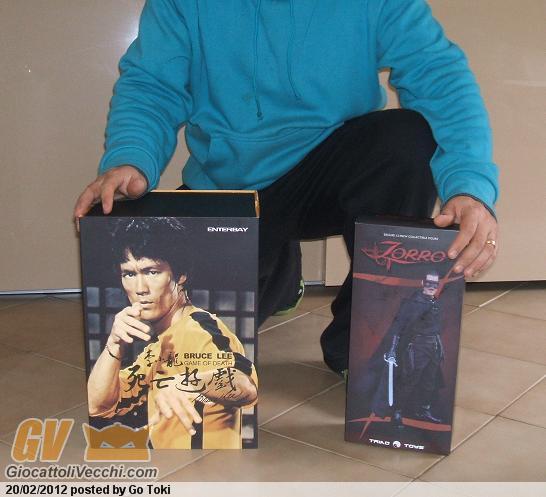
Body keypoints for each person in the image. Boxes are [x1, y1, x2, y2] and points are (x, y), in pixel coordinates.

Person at [74, 0, 499, 375]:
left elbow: (439, 77)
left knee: (406, 140)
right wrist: (130, 159)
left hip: (332, 172)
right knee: (183, 350)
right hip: (233, 191)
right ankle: (279, 273)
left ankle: (362, 345)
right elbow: (152, 86)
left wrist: (469, 187)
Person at [87, 218, 258, 449]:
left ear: (181, 275)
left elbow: (245, 386)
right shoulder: (157, 348)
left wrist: (187, 383)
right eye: (129, 274)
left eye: (152, 272)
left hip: (206, 468)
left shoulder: (198, 329)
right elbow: (97, 406)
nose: (140, 289)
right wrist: (114, 345)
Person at [383, 271, 445, 428]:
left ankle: (423, 410)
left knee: (430, 380)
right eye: (429, 283)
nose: (432, 287)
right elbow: (398, 327)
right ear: (423, 283)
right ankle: (397, 413)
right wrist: (392, 349)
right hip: (417, 346)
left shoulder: (434, 301)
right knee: (409, 380)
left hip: (434, 346)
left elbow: (435, 327)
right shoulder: (412, 303)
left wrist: (438, 345)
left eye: (435, 284)